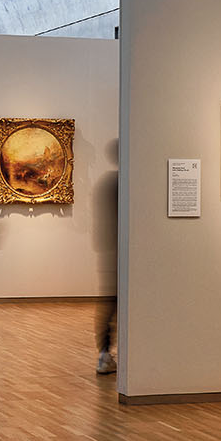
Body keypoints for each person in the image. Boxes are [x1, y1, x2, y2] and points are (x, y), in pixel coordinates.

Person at [93, 142, 119, 374]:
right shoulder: (122, 183)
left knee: (110, 305)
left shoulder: (108, 183)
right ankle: (106, 354)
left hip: (111, 251)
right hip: (122, 252)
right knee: (114, 305)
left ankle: (104, 353)